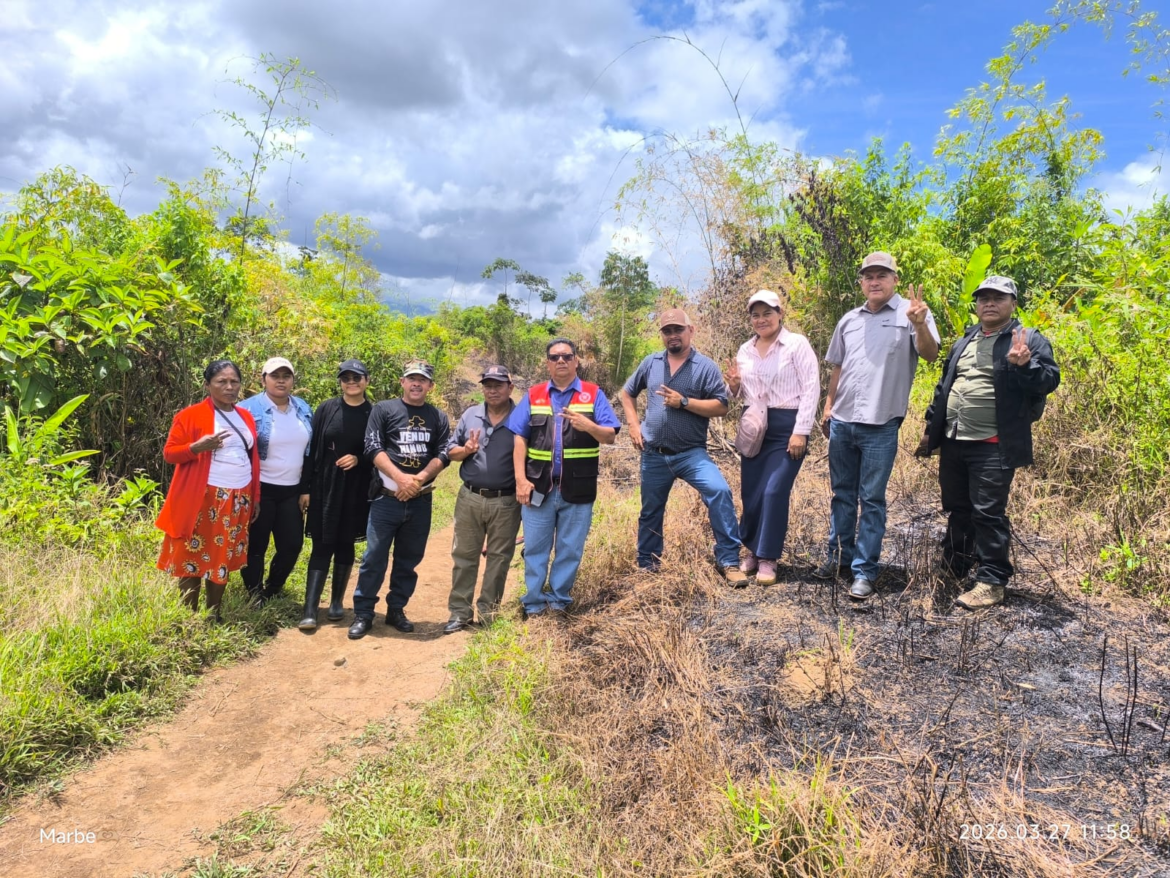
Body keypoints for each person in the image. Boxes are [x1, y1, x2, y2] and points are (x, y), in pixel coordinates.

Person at [915, 275, 1060, 610]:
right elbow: (945, 385)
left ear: (1013, 303)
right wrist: (930, 429)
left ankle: (992, 581)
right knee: (958, 507)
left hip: (994, 443)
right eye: (984, 298)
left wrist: (1025, 366)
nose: (989, 303)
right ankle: (956, 566)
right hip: (955, 440)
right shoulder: (965, 340)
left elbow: (1048, 381)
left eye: (998, 298)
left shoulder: (1028, 339)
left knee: (988, 513)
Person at [817, 251, 940, 600]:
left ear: (895, 280)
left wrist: (918, 323)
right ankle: (838, 557)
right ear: (861, 281)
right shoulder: (849, 320)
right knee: (842, 495)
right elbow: (838, 367)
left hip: (881, 424)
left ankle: (864, 571)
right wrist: (828, 407)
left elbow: (930, 354)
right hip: (843, 422)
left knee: (871, 500)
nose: (874, 281)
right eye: (868, 276)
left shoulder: (912, 313)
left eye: (882, 275)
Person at [620, 308, 743, 581]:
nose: (673, 335)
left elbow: (721, 406)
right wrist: (633, 425)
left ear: (691, 330)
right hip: (653, 454)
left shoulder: (706, 367)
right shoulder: (651, 363)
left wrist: (684, 402)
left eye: (678, 329)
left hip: (691, 454)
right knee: (650, 510)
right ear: (662, 335)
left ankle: (730, 561)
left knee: (720, 492)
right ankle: (648, 565)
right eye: (667, 331)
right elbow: (627, 393)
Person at [508, 338, 620, 617]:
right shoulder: (534, 395)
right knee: (535, 548)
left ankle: (559, 601)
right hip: (538, 487)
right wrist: (521, 480)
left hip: (578, 488)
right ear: (547, 363)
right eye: (555, 357)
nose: (561, 361)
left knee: (570, 548)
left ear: (576, 361)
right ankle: (533, 603)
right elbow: (519, 438)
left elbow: (610, 436)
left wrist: (587, 424)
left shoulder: (593, 394)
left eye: (567, 356)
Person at [347, 360, 450, 639]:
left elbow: (444, 454)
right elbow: (372, 446)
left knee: (409, 560)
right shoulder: (383, 410)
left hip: (420, 501)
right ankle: (364, 613)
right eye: (411, 378)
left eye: (422, 379)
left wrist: (416, 481)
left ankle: (397, 609)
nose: (416, 383)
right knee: (373, 558)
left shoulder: (438, 417)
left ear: (430, 386)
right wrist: (401, 478)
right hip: (386, 499)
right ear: (402, 382)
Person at [724, 290, 820, 585]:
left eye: (768, 313)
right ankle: (752, 550)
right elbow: (734, 395)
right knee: (752, 492)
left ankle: (768, 558)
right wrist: (734, 385)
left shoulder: (795, 344)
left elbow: (811, 388)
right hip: (755, 428)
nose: (761, 319)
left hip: (786, 428)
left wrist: (801, 431)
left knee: (774, 491)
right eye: (756, 315)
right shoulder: (745, 350)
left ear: (780, 314)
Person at [155, 360, 261, 620]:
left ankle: (214, 613)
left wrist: (255, 497)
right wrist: (195, 448)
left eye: (234, 381)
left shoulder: (245, 416)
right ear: (207, 385)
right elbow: (169, 453)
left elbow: (252, 457)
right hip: (202, 497)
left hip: (238, 497)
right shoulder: (190, 415)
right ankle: (188, 616)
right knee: (191, 555)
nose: (229, 387)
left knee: (220, 556)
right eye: (221, 382)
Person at [443, 365, 522, 634]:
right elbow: (450, 452)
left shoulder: (522, 416)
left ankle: (489, 612)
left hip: (507, 501)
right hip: (470, 498)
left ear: (510, 388)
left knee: (499, 559)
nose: (492, 390)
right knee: (464, 556)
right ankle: (460, 612)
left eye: (498, 384)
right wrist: (465, 450)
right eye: (488, 385)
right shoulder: (470, 414)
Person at [298, 359, 374, 630]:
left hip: (356, 487)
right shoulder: (327, 408)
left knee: (345, 543)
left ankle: (336, 603)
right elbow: (311, 450)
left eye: (357, 378)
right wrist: (305, 488)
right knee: (322, 542)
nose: (351, 383)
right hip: (324, 485)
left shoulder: (373, 413)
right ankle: (309, 609)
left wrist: (359, 459)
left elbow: (378, 452)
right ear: (340, 381)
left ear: (366, 380)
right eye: (346, 378)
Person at [238, 357, 313, 605]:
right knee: (256, 545)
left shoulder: (302, 407)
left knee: (291, 544)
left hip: (292, 490)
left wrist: (306, 489)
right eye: (274, 376)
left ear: (293, 380)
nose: (281, 380)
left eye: (286, 376)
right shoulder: (247, 409)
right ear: (263, 379)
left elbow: (310, 452)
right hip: (260, 489)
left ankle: (273, 587)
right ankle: (254, 592)